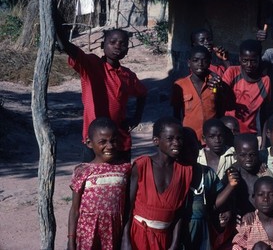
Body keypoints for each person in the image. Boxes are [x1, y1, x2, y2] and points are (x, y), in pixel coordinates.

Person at [56, 26, 147, 162]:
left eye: (123, 44)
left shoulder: (128, 75)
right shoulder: (92, 66)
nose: (117, 46)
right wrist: (57, 25)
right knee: (91, 179)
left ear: (127, 50)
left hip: (119, 140)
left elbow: (143, 93)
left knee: (120, 179)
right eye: (112, 42)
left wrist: (137, 117)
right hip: (95, 141)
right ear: (102, 45)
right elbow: (68, 47)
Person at [121, 117, 193, 250]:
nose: (176, 143)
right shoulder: (142, 166)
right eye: (170, 139)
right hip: (138, 235)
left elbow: (179, 212)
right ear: (156, 141)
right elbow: (128, 207)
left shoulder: (185, 171)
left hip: (165, 237)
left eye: (179, 138)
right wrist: (125, 239)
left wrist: (175, 243)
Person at [67, 118, 131, 250]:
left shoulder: (125, 169)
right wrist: (71, 241)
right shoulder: (83, 171)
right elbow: (74, 210)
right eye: (103, 142)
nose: (110, 146)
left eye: (113, 141)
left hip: (113, 232)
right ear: (89, 143)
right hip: (87, 233)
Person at [179, 128, 239, 250]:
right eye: (185, 148)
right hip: (180, 229)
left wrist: (230, 186)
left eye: (193, 146)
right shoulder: (175, 173)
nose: (190, 151)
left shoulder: (206, 173)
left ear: (199, 145)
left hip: (203, 229)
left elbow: (213, 203)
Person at [172, 46, 222, 143]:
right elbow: (176, 114)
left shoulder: (214, 84)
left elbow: (220, 108)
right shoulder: (180, 85)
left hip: (212, 139)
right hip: (190, 137)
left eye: (204, 60)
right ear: (189, 62)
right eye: (195, 60)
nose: (200, 64)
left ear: (209, 62)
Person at [222, 40, 271, 134]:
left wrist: (263, 143)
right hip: (227, 132)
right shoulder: (232, 72)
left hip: (249, 134)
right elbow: (221, 99)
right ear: (240, 58)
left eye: (253, 61)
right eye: (245, 61)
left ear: (259, 59)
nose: (249, 65)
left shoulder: (265, 81)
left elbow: (264, 113)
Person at [223, 134, 273, 218]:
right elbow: (226, 201)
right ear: (235, 155)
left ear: (258, 154)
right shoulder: (232, 173)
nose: (248, 159)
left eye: (252, 154)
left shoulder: (263, 171)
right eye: (243, 155)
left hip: (263, 216)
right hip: (239, 218)